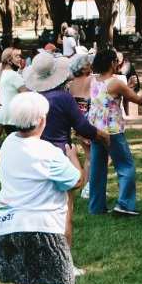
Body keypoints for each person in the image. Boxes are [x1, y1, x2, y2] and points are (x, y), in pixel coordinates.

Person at [0, 92, 86, 284]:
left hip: (10, 223)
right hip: (43, 226)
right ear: (41, 121)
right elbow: (76, 182)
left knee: (24, 280)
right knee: (62, 282)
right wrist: (73, 158)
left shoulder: (9, 143)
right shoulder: (47, 152)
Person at [24, 51, 99, 249]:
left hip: (33, 154)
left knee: (39, 208)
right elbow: (82, 127)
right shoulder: (63, 98)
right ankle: (66, 262)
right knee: (65, 210)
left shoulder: (32, 97)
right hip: (59, 152)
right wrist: (102, 136)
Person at [87, 46, 142, 217]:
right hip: (113, 131)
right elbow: (139, 100)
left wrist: (129, 86)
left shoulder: (94, 80)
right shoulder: (116, 83)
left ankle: (96, 207)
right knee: (126, 166)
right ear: (112, 63)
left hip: (95, 129)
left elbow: (110, 97)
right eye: (116, 61)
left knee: (97, 168)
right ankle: (124, 204)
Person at [0, 47, 25, 143]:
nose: (20, 58)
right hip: (12, 115)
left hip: (4, 113)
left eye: (20, 56)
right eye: (17, 56)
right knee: (21, 143)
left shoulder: (4, 73)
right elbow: (27, 94)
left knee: (14, 142)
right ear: (9, 60)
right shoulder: (13, 75)